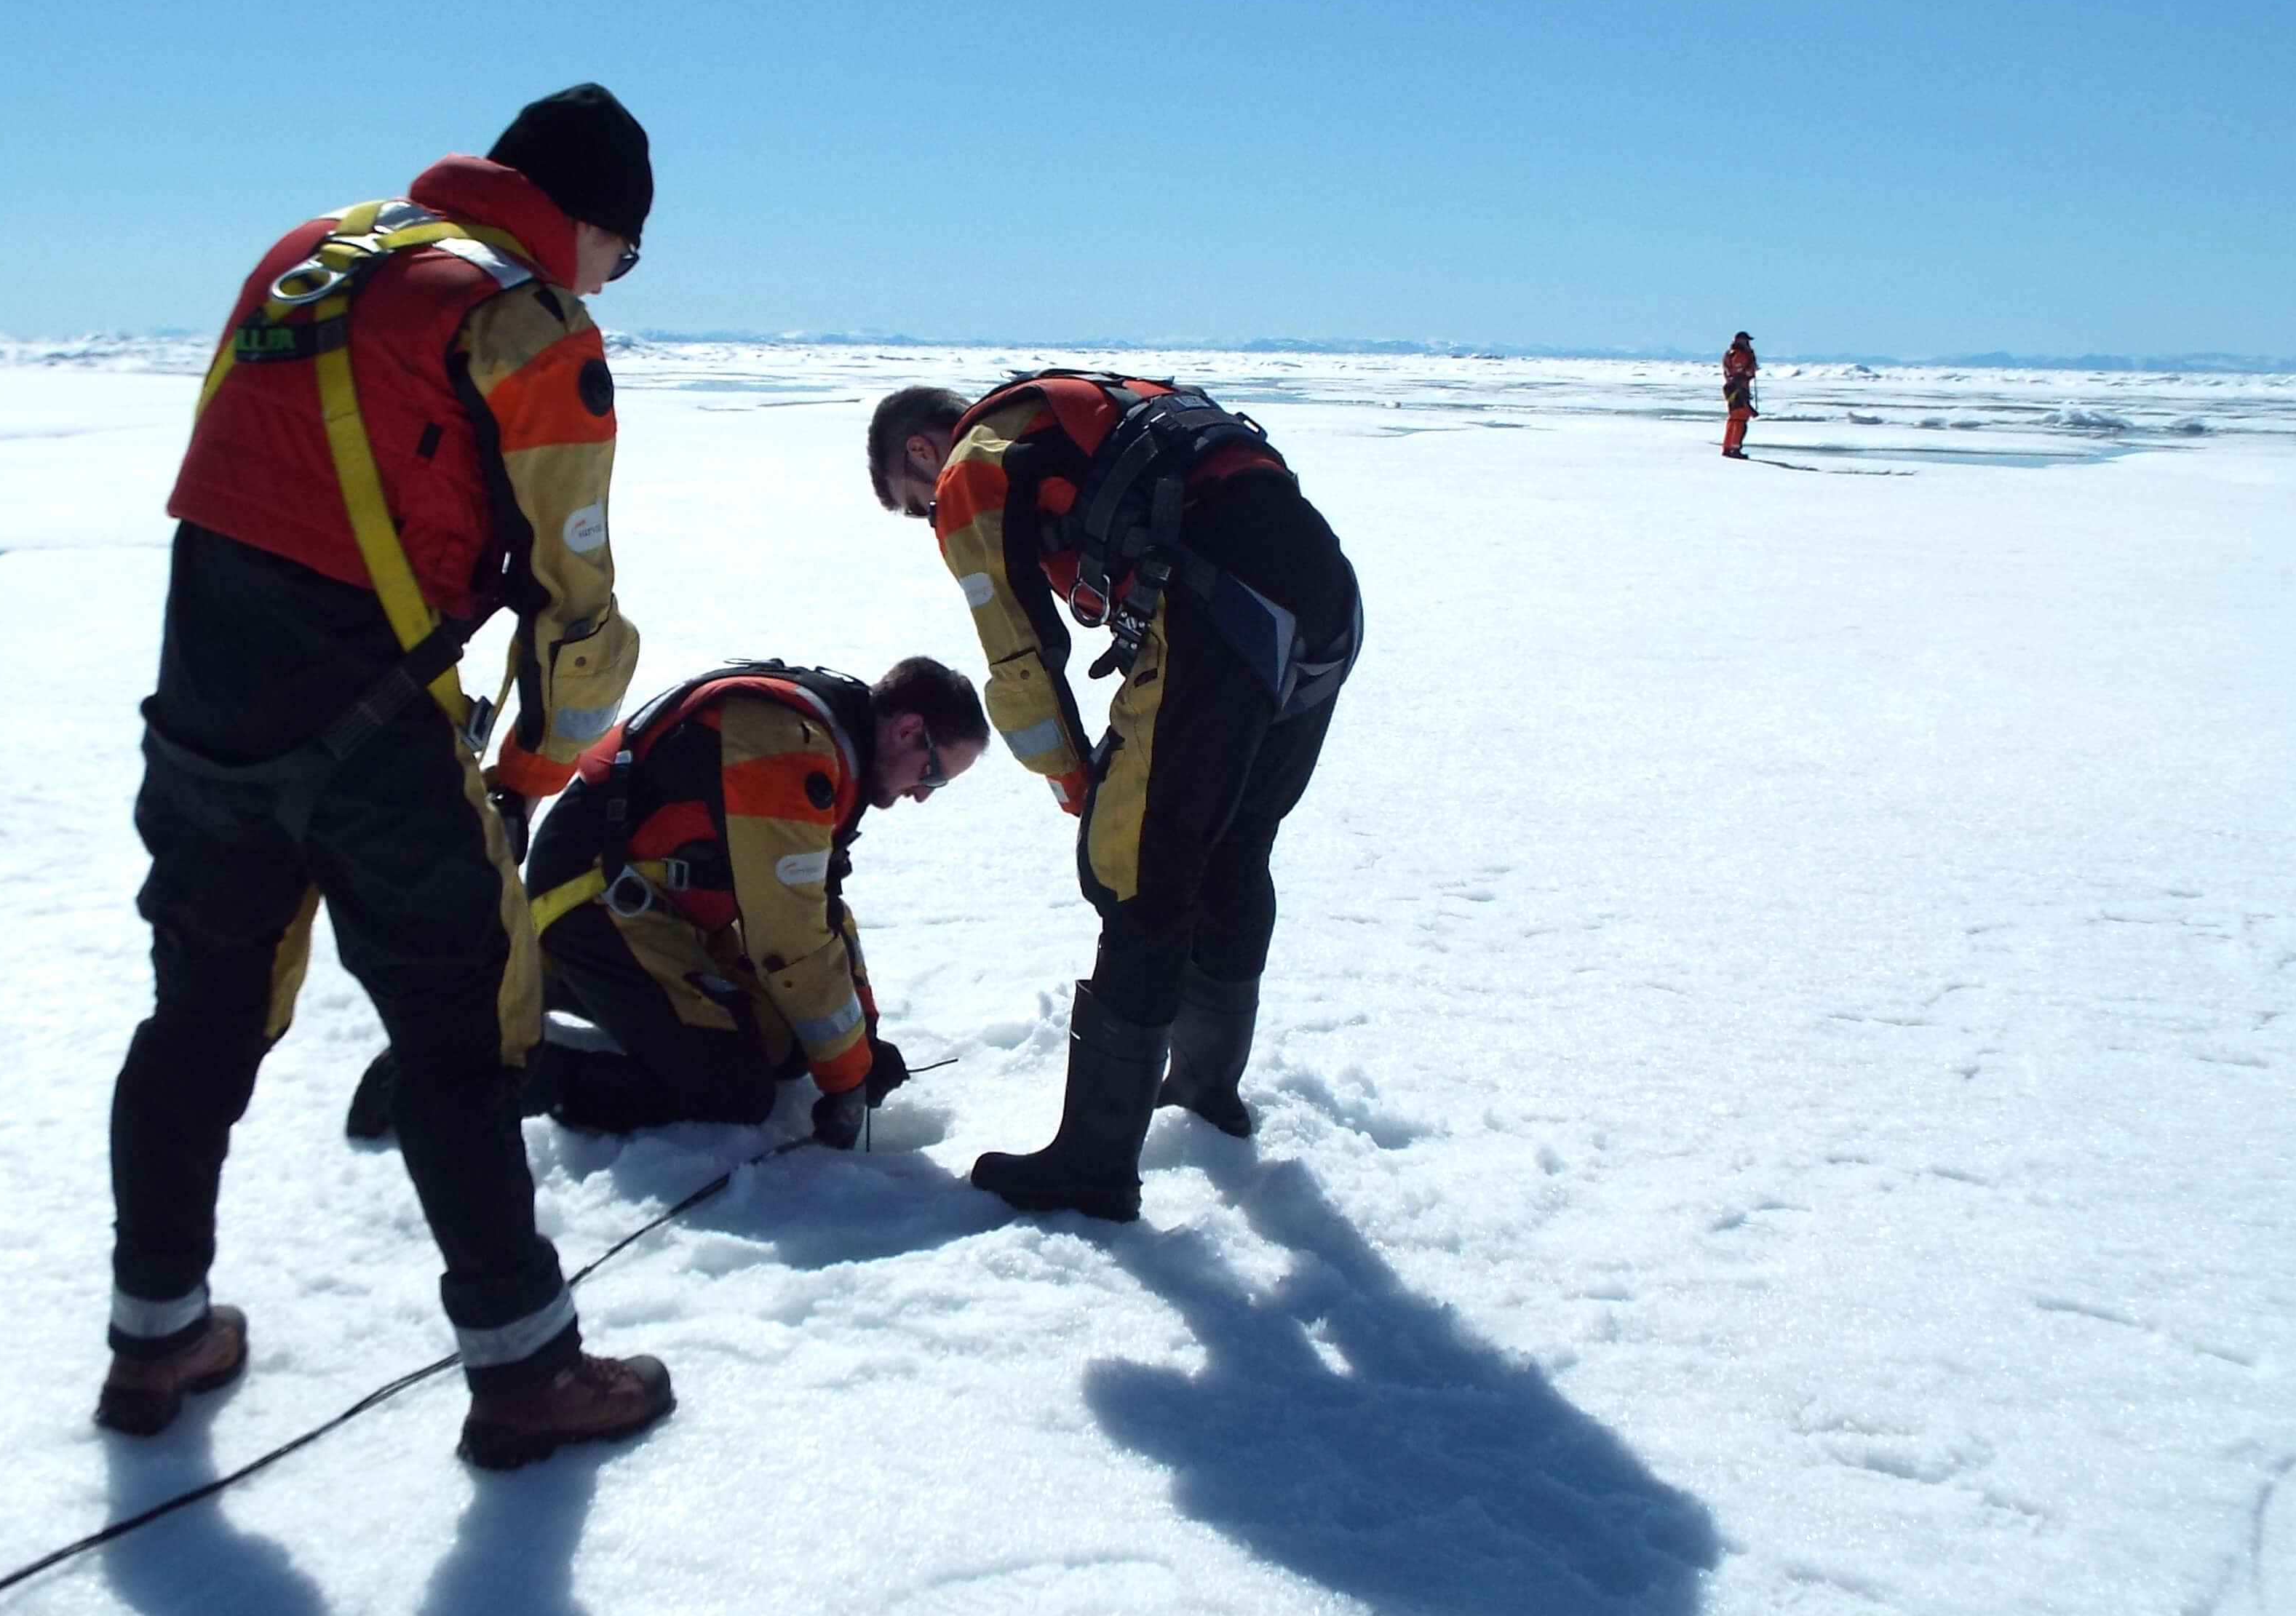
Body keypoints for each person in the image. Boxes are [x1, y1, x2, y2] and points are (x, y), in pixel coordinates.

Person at [100, 84, 672, 1471]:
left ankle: (155, 1333)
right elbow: (574, 605)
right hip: (372, 729)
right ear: (589, 223)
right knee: (462, 1039)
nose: (615, 281)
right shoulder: (525, 321)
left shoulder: (311, 253)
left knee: (198, 1019)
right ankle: (526, 1373)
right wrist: (537, 763)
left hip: (202, 707)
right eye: (628, 253)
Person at [866, 375, 1360, 1220]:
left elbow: (1018, 655)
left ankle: (1093, 1166)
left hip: (1222, 600)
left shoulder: (974, 467)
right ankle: (1207, 1096)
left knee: (1133, 871)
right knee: (1234, 846)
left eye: (915, 504)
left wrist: (1073, 780)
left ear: (922, 450)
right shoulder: (1079, 416)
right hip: (1325, 598)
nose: (930, 519)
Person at [347, 657, 991, 1150]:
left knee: (791, 1046)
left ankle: (548, 979)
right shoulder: (788, 747)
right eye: (932, 776)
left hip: (664, 909)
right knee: (731, 1088)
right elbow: (788, 934)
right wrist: (848, 1073)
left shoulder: (832, 745)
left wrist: (863, 1036)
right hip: (594, 897)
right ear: (909, 729)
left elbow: (824, 908)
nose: (923, 796)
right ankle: (492, 1068)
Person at [1721, 331, 1759, 458]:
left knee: (1734, 419)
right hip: (1738, 389)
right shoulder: (1739, 355)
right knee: (1739, 419)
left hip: (1732, 389)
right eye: (1746, 341)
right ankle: (1735, 448)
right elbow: (1740, 372)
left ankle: (1728, 447)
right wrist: (1750, 369)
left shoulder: (1730, 355)